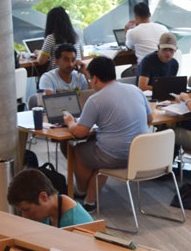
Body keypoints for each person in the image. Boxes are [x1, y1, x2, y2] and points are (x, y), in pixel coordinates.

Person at [63, 57, 152, 210]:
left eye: (90, 78)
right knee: (99, 155)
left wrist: (70, 122)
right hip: (140, 155)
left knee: (77, 149)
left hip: (114, 155)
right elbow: (150, 119)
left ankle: (81, 190)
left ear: (95, 79)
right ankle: (89, 200)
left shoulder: (96, 99)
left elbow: (79, 133)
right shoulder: (135, 90)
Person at [7, 168, 93, 227]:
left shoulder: (74, 223)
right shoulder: (48, 212)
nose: (24, 216)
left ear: (43, 197)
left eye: (27, 210)